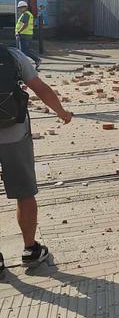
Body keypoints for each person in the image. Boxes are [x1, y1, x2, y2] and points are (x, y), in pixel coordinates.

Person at [0, 45, 72, 276]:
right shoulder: (11, 55)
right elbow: (40, 87)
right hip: (14, 135)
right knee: (24, 192)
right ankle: (31, 250)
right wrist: (61, 112)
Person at [15, 1, 40, 66]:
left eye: (21, 7)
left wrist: (19, 32)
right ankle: (34, 60)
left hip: (24, 34)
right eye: (19, 8)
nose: (20, 9)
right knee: (25, 50)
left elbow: (25, 24)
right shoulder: (28, 14)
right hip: (27, 34)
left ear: (26, 7)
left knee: (24, 51)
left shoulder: (26, 14)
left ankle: (36, 59)